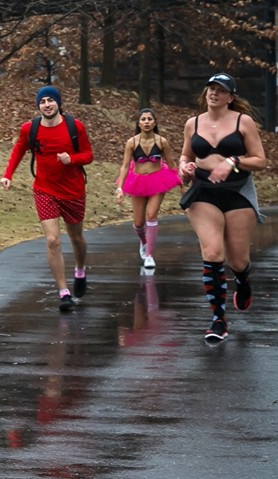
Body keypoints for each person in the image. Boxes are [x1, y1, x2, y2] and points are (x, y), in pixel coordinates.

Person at [177, 73, 267, 343]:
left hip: (238, 193)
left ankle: (243, 279)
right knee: (213, 252)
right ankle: (218, 320)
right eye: (210, 88)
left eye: (220, 90)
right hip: (204, 193)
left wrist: (233, 161)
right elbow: (185, 155)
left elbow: (260, 161)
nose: (213, 93)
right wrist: (184, 168)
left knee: (237, 260)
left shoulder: (243, 122)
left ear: (231, 96)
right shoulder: (192, 123)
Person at [0, 86, 94, 312]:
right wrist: (7, 175)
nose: (47, 105)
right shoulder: (30, 129)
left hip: (73, 191)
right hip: (45, 189)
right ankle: (63, 292)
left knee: (77, 237)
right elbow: (19, 150)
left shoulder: (75, 127)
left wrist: (71, 158)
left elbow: (88, 156)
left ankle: (80, 270)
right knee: (53, 240)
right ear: (39, 105)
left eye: (51, 101)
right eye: (43, 102)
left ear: (59, 104)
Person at [114, 108, 182, 269]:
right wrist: (120, 188)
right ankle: (144, 241)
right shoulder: (132, 142)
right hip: (137, 181)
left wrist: (181, 182)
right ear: (138, 123)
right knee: (138, 223)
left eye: (149, 119)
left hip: (158, 180)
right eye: (143, 119)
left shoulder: (161, 141)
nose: (146, 122)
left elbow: (171, 163)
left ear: (155, 122)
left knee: (151, 215)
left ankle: (150, 255)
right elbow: (124, 166)